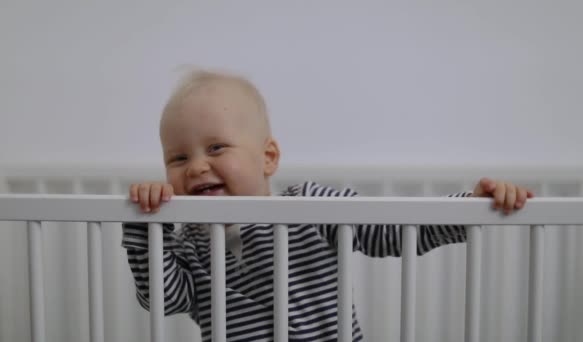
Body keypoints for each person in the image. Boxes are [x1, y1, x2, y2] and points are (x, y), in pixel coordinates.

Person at [122, 68, 533, 341]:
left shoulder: (309, 207)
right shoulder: (187, 240)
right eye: (178, 158)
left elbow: (391, 229)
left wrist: (470, 208)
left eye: (216, 147)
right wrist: (146, 224)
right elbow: (163, 299)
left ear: (268, 157)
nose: (196, 167)